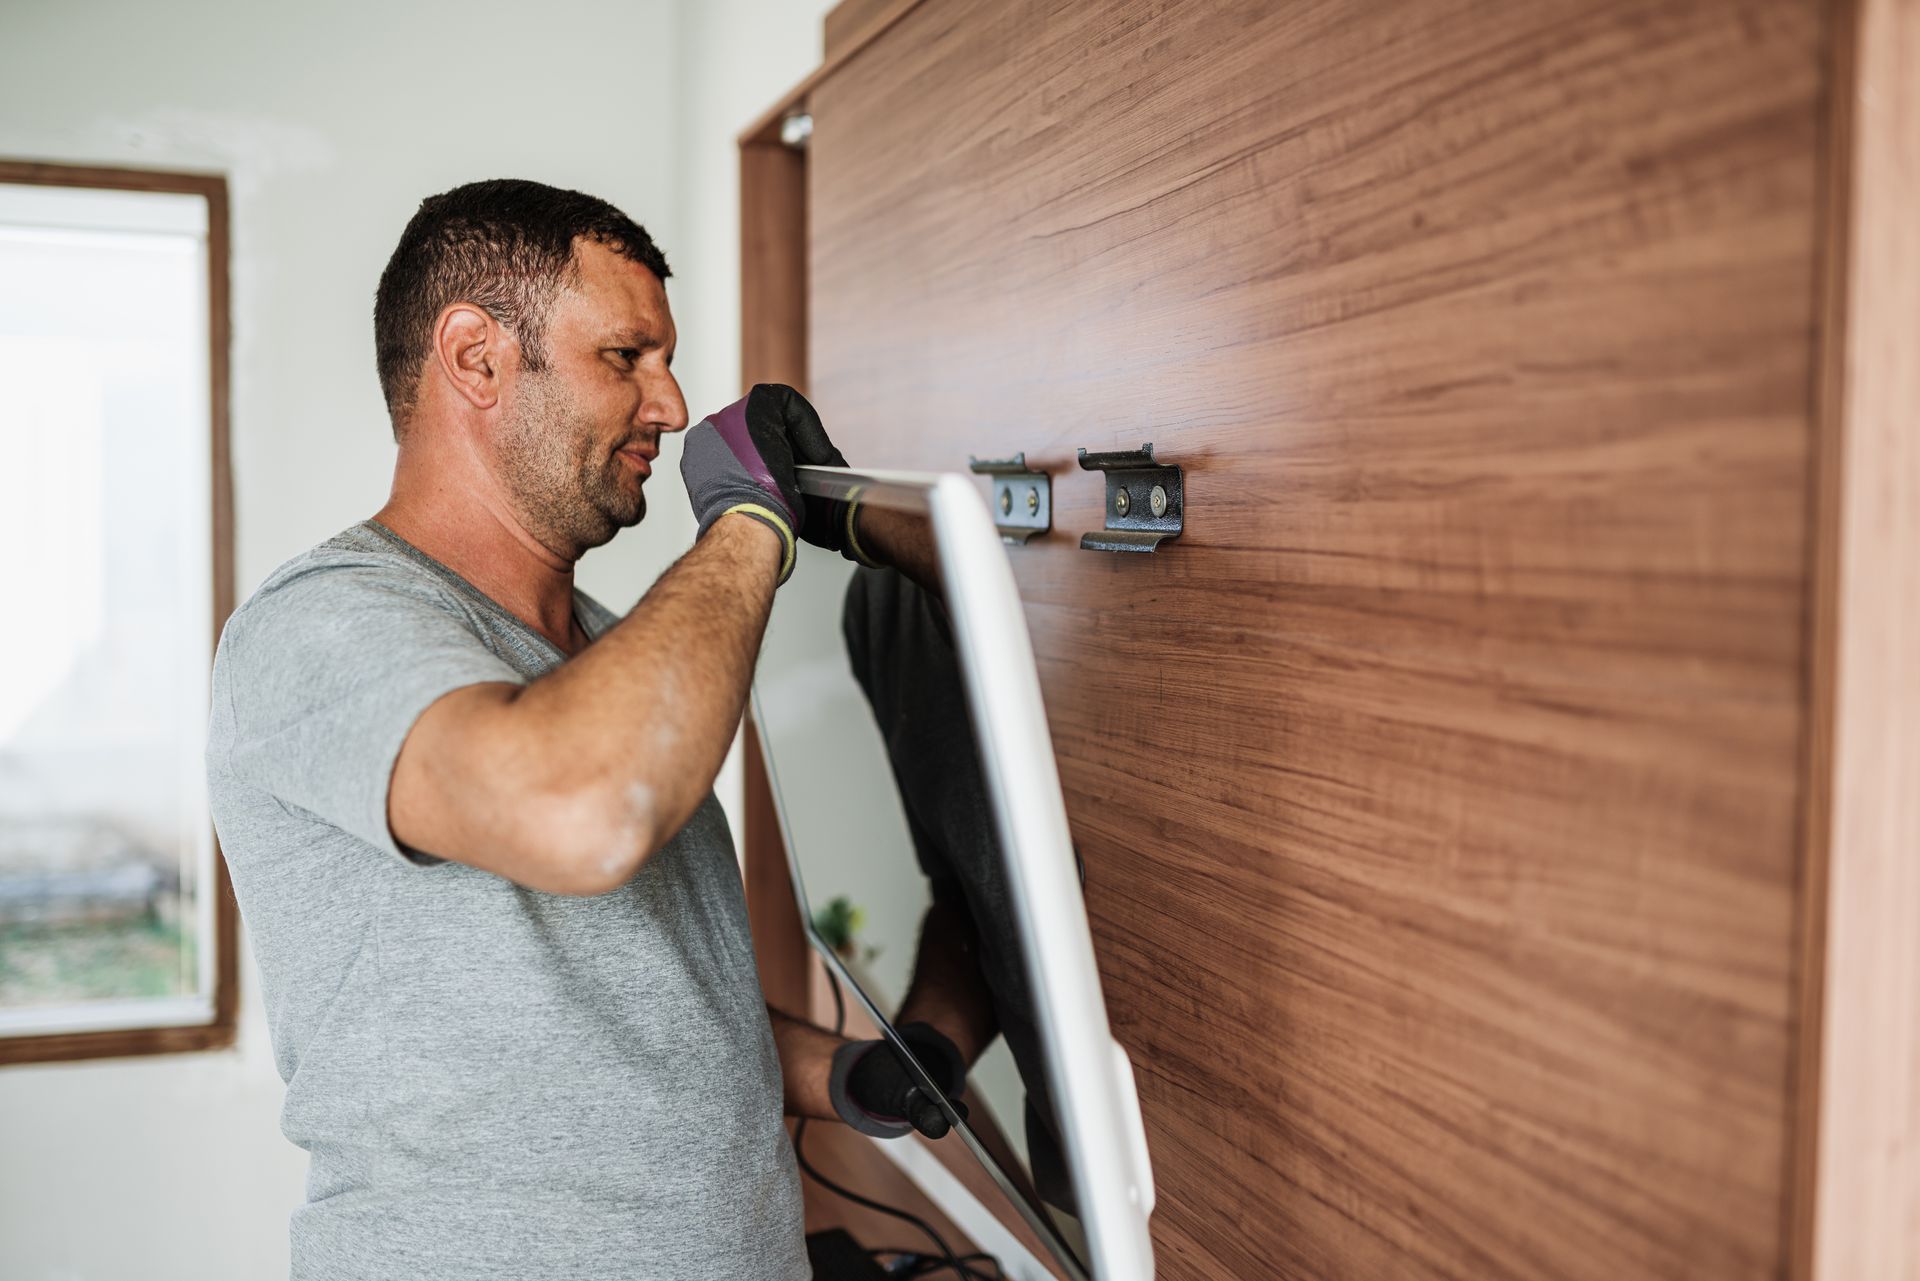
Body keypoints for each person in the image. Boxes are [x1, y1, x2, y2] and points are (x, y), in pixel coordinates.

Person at [204, 178, 936, 1281]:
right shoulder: (319, 627)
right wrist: (748, 526)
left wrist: (841, 1075)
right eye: (626, 357)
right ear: (477, 358)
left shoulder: (614, 658)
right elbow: (583, 811)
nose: (673, 404)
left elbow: (628, 1013)